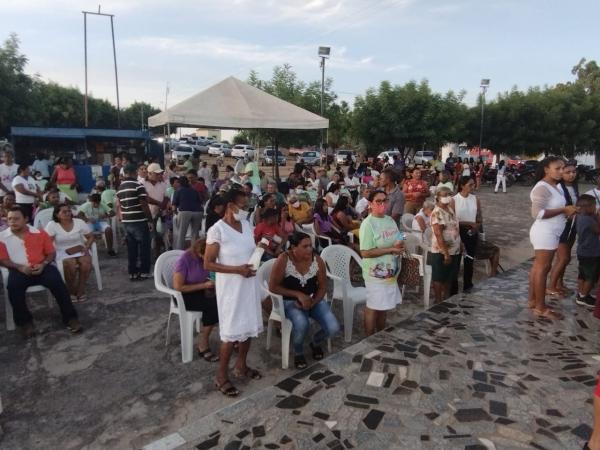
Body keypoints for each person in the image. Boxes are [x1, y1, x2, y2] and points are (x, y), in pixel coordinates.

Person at [204, 189, 264, 397]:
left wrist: (258, 251)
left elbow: (247, 249)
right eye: (242, 205)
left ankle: (241, 365)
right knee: (230, 334)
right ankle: (221, 375)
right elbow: (208, 263)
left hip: (249, 284)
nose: (246, 209)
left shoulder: (247, 225)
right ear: (230, 206)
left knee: (248, 327)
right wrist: (237, 269)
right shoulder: (217, 230)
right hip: (230, 288)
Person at [0, 206, 82, 337]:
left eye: (16, 219)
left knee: (58, 283)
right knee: (13, 287)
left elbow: (51, 253)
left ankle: (70, 318)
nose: (12, 222)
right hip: (18, 269)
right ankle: (25, 323)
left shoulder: (40, 233)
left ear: (26, 219)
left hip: (42, 267)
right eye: (9, 219)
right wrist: (20, 267)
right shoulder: (3, 237)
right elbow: (3, 259)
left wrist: (43, 264)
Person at [269, 231, 340, 369]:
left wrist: (313, 302)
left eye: (310, 246)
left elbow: (323, 286)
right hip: (289, 301)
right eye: (305, 246)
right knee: (302, 323)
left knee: (333, 327)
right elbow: (273, 287)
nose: (310, 249)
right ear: (293, 248)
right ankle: (299, 350)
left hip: (313, 299)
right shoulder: (284, 259)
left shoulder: (317, 260)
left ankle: (314, 341)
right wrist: (298, 295)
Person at [528, 157, 577, 319]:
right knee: (543, 268)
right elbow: (538, 213)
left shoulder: (555, 186)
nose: (561, 171)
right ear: (546, 169)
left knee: (538, 267)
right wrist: (564, 210)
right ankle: (540, 307)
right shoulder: (542, 187)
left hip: (552, 232)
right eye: (558, 168)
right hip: (545, 232)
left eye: (562, 168)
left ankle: (533, 300)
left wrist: (568, 212)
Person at [359, 189, 404, 336]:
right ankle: (369, 337)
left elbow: (397, 237)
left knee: (384, 306)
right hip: (375, 273)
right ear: (371, 204)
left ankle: (380, 334)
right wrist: (390, 249)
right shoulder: (368, 224)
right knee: (373, 306)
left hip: (390, 272)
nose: (382, 204)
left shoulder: (389, 220)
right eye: (378, 201)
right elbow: (365, 252)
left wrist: (400, 243)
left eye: (385, 200)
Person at [172, 238, 219, 361]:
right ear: (199, 253)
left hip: (200, 290)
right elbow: (178, 286)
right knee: (213, 306)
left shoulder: (206, 258)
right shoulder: (185, 260)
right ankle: (203, 344)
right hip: (183, 295)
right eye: (207, 256)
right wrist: (204, 285)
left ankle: (232, 338)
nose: (209, 260)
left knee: (224, 300)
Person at [45, 204, 94, 302]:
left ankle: (80, 289)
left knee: (86, 263)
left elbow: (91, 237)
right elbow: (47, 243)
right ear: (57, 215)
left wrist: (87, 246)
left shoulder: (79, 222)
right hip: (61, 250)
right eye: (64, 212)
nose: (68, 213)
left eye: (69, 211)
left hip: (79, 248)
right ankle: (71, 290)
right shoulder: (52, 225)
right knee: (70, 264)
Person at [116, 163, 153, 281]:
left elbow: (119, 205)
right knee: (144, 247)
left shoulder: (120, 187)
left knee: (131, 248)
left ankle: (132, 272)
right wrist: (150, 220)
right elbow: (144, 204)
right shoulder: (138, 185)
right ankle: (144, 272)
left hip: (127, 222)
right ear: (134, 172)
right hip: (140, 221)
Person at [548, 160, 579, 296]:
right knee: (563, 258)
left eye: (574, 172)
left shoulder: (574, 187)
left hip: (572, 226)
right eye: (568, 172)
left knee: (566, 258)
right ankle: (551, 286)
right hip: (561, 227)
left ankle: (559, 283)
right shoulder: (558, 188)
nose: (571, 175)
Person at [430, 186, 462, 303]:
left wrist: (460, 243)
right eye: (444, 195)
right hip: (442, 251)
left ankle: (446, 298)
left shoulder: (449, 208)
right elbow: (438, 234)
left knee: (450, 276)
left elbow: (455, 227)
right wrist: (446, 253)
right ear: (437, 197)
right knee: (439, 276)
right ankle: (438, 300)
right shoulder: (437, 212)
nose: (448, 197)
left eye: (449, 194)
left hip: (455, 249)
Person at [452, 177, 482, 292]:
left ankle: (468, 284)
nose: (473, 187)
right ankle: (453, 288)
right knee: (456, 260)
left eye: (473, 184)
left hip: (471, 232)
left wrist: (477, 226)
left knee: (469, 260)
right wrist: (468, 223)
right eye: (470, 185)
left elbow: (479, 217)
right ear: (462, 186)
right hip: (458, 231)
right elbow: (452, 221)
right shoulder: (454, 200)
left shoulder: (475, 199)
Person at [574, 195, 600, 308]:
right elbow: (598, 231)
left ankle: (581, 293)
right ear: (587, 207)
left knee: (582, 274)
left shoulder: (579, 217)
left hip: (582, 251)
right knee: (591, 276)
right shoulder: (589, 220)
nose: (595, 208)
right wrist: (598, 218)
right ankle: (583, 296)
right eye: (594, 206)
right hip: (591, 252)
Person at [143, 163, 168, 258]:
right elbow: (146, 198)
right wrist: (159, 204)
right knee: (150, 235)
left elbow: (166, 196)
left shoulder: (162, 184)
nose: (159, 176)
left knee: (159, 234)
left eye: (160, 174)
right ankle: (149, 255)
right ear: (149, 174)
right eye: (157, 174)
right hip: (149, 214)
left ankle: (157, 254)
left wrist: (163, 206)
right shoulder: (143, 183)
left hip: (161, 213)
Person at [172, 176, 203, 251]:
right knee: (195, 234)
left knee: (181, 233)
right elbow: (200, 201)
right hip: (198, 212)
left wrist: (176, 213)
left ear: (179, 183)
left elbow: (174, 206)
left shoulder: (178, 190)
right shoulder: (194, 190)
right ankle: (195, 252)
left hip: (185, 211)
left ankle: (178, 252)